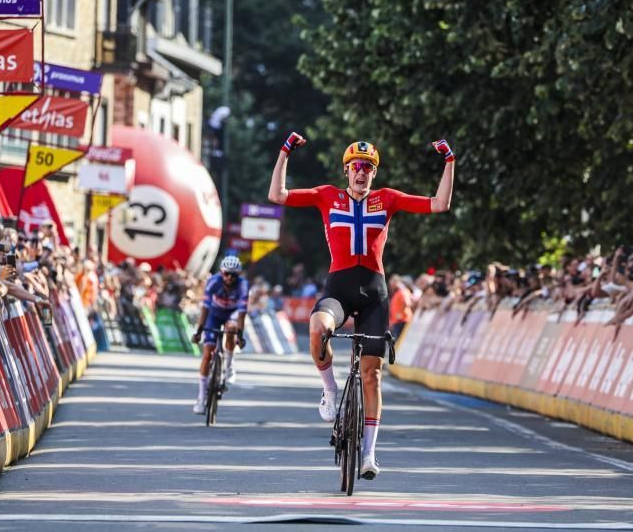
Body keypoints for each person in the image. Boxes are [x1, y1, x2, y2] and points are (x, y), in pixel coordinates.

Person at [268, 132, 455, 480]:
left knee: (372, 375)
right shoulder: (328, 195)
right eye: (356, 166)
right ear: (346, 170)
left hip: (374, 295)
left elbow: (439, 203)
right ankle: (329, 389)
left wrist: (449, 161)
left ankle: (368, 453)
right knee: (317, 329)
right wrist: (285, 151)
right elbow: (277, 195)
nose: (361, 172)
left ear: (374, 173)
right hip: (338, 290)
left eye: (368, 168)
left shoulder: (388, 199)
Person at [190, 255, 249, 414]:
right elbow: (205, 309)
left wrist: (240, 336)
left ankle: (229, 366)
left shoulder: (243, 285)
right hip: (214, 314)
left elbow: (242, 314)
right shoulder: (213, 282)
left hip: (232, 314)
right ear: (221, 273)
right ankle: (201, 397)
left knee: (231, 328)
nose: (229, 277)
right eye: (226, 274)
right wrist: (199, 331)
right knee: (207, 353)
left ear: (238, 275)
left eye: (233, 275)